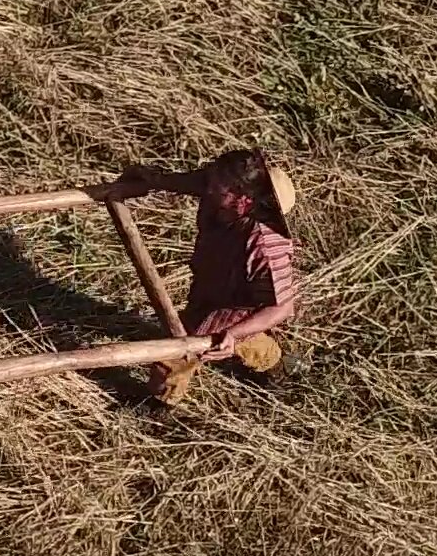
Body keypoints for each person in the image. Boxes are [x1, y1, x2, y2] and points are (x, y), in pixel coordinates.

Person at [95, 148, 301, 404]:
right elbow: (190, 182)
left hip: (237, 302)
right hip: (211, 281)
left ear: (244, 201)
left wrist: (233, 333)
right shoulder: (217, 189)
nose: (209, 186)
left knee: (181, 345)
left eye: (218, 185)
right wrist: (151, 178)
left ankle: (159, 403)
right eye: (212, 178)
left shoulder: (265, 246)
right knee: (228, 338)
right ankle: (275, 361)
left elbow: (281, 308)